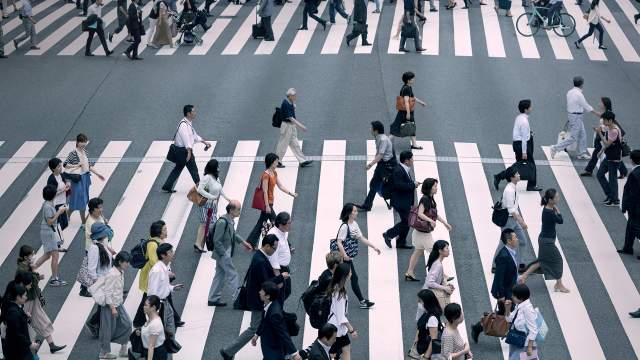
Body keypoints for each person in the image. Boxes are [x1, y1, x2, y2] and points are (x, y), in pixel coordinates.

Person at [219, 234, 288, 360]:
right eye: (274, 248)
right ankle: (228, 351)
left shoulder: (259, 256)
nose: (275, 250)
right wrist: (281, 277)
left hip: (258, 298)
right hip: (258, 300)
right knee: (254, 328)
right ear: (267, 245)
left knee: (267, 326)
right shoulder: (261, 260)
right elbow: (267, 283)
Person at [471, 229, 519, 343]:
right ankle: (479, 327)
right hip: (504, 292)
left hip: (510, 289)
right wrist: (501, 295)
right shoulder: (503, 256)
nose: (517, 239)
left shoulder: (510, 252)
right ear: (509, 241)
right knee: (507, 313)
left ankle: (478, 327)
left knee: (504, 314)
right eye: (515, 237)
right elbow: (499, 277)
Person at [519, 189, 569, 292]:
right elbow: (560, 220)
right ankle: (559, 284)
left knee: (541, 261)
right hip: (547, 242)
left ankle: (523, 276)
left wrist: (554, 208)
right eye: (556, 197)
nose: (558, 199)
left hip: (545, 240)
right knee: (558, 260)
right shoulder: (549, 212)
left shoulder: (547, 209)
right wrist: (558, 210)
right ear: (550, 200)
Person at [15, 253, 66, 354]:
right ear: (25, 257)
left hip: (32, 297)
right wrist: (34, 273)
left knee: (41, 319)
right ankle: (26, 345)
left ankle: (51, 345)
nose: (33, 256)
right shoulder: (22, 269)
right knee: (24, 321)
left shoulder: (26, 267)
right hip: (27, 299)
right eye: (31, 254)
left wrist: (36, 275)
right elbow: (27, 282)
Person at [332, 203, 379, 308]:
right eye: (354, 211)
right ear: (349, 213)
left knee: (343, 279)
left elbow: (361, 238)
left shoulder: (354, 224)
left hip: (347, 257)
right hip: (343, 258)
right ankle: (361, 301)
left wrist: (373, 246)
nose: (356, 212)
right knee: (350, 278)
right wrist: (344, 255)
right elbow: (339, 242)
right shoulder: (345, 226)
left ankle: (332, 298)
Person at [246, 153, 298, 248]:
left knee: (261, 223)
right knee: (278, 224)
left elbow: (280, 186)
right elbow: (265, 191)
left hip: (270, 202)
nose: (277, 162)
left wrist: (291, 193)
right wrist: (267, 206)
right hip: (267, 203)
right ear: (272, 162)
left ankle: (250, 242)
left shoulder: (274, 173)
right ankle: (287, 245)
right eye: (276, 161)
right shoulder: (266, 175)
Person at [405, 178, 452, 281]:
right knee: (437, 253)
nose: (436, 188)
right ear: (429, 188)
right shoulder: (425, 199)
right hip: (423, 234)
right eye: (435, 186)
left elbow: (434, 214)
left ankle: (409, 272)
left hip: (420, 233)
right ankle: (442, 276)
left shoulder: (430, 198)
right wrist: (430, 220)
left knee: (417, 252)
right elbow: (420, 213)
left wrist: (444, 223)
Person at [208, 200, 252, 307]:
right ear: (231, 210)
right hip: (223, 252)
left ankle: (213, 298)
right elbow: (216, 240)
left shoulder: (230, 220)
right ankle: (238, 300)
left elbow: (233, 234)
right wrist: (224, 254)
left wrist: (243, 242)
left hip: (224, 252)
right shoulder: (223, 222)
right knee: (233, 275)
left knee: (220, 275)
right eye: (238, 209)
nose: (240, 212)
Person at [493, 99, 542, 192]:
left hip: (518, 143)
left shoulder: (519, 118)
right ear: (526, 109)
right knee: (530, 164)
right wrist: (524, 152)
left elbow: (520, 132)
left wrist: (529, 133)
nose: (532, 108)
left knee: (520, 165)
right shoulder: (524, 121)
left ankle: (500, 176)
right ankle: (531, 185)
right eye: (530, 107)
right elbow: (523, 138)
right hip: (522, 145)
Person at [162, 105, 212, 193]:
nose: (195, 113)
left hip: (183, 151)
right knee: (193, 169)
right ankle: (200, 188)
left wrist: (205, 142)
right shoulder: (183, 125)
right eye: (193, 112)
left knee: (178, 168)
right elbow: (186, 139)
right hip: (184, 151)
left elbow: (194, 136)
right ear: (188, 113)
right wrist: (189, 152)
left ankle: (167, 185)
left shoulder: (188, 123)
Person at [550, 76, 600, 160]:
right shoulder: (578, 94)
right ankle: (555, 148)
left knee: (582, 134)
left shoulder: (570, 92)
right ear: (581, 84)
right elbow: (586, 106)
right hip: (576, 116)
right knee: (573, 137)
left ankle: (582, 153)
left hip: (574, 115)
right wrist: (597, 113)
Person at [250, 281, 301, 360]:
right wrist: (257, 334)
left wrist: (294, 353)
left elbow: (283, 333)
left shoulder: (275, 314)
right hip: (270, 347)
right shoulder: (269, 304)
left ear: (268, 296)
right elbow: (264, 321)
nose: (259, 292)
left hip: (273, 349)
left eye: (262, 291)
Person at [64, 133, 105, 225]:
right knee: (80, 199)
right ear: (77, 142)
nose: (83, 146)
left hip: (85, 178)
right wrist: (77, 165)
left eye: (85, 144)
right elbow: (65, 164)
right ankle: (83, 221)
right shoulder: (73, 154)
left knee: (81, 199)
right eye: (82, 143)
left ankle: (67, 214)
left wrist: (98, 174)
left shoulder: (85, 152)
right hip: (77, 179)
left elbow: (89, 165)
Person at [33, 185, 68, 287]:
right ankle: (54, 279)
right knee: (55, 255)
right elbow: (50, 222)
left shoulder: (47, 202)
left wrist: (63, 190)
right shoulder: (48, 207)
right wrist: (59, 212)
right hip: (48, 232)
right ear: (52, 195)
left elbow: (55, 194)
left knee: (47, 255)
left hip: (46, 232)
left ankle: (31, 269)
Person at [98, 252, 132, 359]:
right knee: (108, 329)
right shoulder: (113, 274)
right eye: (126, 262)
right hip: (110, 306)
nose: (128, 264)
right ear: (120, 262)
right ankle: (103, 353)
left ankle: (123, 349)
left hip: (118, 304)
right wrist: (112, 308)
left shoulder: (120, 272)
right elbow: (107, 292)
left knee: (127, 324)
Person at [134, 220, 167, 328]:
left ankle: (173, 317)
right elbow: (153, 261)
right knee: (147, 297)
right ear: (159, 232)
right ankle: (138, 320)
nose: (166, 231)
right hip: (151, 275)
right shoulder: (153, 244)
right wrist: (164, 271)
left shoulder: (159, 242)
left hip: (155, 275)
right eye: (164, 229)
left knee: (154, 295)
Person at [356, 121, 395, 212]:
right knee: (374, 185)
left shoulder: (382, 139)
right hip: (382, 164)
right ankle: (367, 205)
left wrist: (370, 164)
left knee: (387, 185)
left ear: (376, 130)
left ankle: (393, 203)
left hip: (387, 166)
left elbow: (381, 155)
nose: (370, 130)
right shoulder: (379, 137)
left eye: (371, 128)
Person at [493, 167, 527, 270]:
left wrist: (520, 220)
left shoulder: (513, 187)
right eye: (517, 174)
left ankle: (521, 263)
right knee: (503, 242)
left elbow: (514, 208)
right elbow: (511, 209)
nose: (519, 175)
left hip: (513, 219)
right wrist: (521, 222)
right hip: (508, 220)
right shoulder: (509, 190)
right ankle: (495, 265)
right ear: (512, 177)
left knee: (522, 241)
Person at [147, 243, 185, 335]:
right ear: (163, 255)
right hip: (160, 306)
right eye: (170, 252)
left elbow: (163, 285)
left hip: (166, 303)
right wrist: (154, 312)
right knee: (162, 332)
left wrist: (172, 288)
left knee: (170, 329)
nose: (173, 253)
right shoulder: (157, 271)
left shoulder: (165, 267)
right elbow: (152, 293)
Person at [383, 151, 419, 249]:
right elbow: (398, 185)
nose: (413, 160)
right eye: (411, 158)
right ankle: (389, 234)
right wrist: (413, 185)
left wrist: (413, 183)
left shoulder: (404, 168)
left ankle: (401, 242)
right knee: (406, 222)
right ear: (407, 161)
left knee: (406, 222)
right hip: (400, 201)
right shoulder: (399, 170)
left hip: (404, 200)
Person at [85, 222, 115, 337]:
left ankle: (96, 324)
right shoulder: (94, 248)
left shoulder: (102, 245)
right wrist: (97, 283)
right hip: (101, 281)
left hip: (107, 280)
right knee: (105, 305)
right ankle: (94, 323)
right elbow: (91, 269)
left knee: (104, 305)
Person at [194, 159, 229, 253]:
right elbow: (199, 190)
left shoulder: (216, 177)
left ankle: (198, 245)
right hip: (205, 204)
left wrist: (227, 198)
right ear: (214, 168)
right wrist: (212, 197)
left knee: (204, 224)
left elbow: (219, 189)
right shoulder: (207, 177)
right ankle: (215, 243)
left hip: (213, 205)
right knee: (211, 224)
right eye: (218, 166)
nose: (219, 168)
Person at [326, 263, 358, 360]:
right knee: (334, 354)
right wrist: (351, 329)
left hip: (335, 327)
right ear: (345, 275)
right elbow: (341, 317)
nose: (351, 273)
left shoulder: (336, 285)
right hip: (336, 328)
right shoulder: (339, 292)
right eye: (350, 272)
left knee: (344, 348)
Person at [275, 89, 313, 168]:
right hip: (287, 127)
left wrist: (294, 107)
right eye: (294, 96)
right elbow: (290, 118)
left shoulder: (290, 102)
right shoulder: (285, 103)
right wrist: (301, 126)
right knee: (283, 145)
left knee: (295, 144)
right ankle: (277, 161)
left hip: (291, 127)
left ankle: (302, 160)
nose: (295, 97)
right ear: (289, 96)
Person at [389, 72, 427, 149]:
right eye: (412, 79)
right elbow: (406, 101)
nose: (413, 80)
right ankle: (385, 143)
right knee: (397, 127)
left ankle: (414, 144)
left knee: (409, 126)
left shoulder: (408, 87)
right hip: (405, 112)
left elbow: (412, 97)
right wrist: (408, 113)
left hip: (405, 111)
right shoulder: (406, 88)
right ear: (408, 80)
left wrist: (421, 102)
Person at [1, 284, 38, 360]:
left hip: (19, 349)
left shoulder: (16, 307)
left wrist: (25, 316)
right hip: (17, 351)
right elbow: (16, 333)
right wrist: (30, 344)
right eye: (24, 295)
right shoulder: (13, 313)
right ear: (18, 297)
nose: (26, 297)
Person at [266, 212, 296, 305]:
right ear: (281, 225)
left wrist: (289, 247)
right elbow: (273, 259)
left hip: (284, 267)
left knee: (286, 292)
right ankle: (273, 311)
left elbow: (285, 240)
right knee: (280, 293)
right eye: (289, 223)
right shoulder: (274, 237)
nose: (291, 225)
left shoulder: (282, 232)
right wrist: (279, 278)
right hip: (279, 269)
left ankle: (276, 310)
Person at [504, 284, 539, 359]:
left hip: (525, 343)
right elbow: (509, 319)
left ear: (521, 298)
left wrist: (529, 347)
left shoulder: (528, 309)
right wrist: (507, 308)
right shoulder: (519, 306)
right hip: (516, 338)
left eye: (514, 295)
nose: (512, 297)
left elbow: (534, 329)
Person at [596, 111, 623, 207]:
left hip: (614, 159)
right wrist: (601, 151)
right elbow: (607, 145)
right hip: (609, 156)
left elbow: (607, 143)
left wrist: (599, 133)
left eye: (604, 120)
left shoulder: (614, 131)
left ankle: (615, 199)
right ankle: (610, 195)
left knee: (612, 179)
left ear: (610, 121)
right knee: (599, 174)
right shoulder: (609, 128)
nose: (603, 122)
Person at [409, 289, 442, 359]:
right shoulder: (427, 312)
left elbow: (434, 340)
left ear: (427, 302)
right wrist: (415, 344)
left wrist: (426, 356)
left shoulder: (432, 318)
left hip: (424, 350)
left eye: (420, 301)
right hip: (420, 346)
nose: (418, 303)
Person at [619, 149, 640, 259]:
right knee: (630, 227)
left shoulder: (634, 174)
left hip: (636, 206)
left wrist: (626, 206)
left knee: (634, 227)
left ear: (632, 160)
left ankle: (628, 247)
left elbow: (632, 193)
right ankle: (627, 247)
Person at [425, 240, 455, 310]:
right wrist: (445, 288)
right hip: (435, 298)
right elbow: (430, 282)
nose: (449, 250)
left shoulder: (437, 262)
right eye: (447, 248)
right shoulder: (437, 265)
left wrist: (446, 285)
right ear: (440, 251)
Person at [140, 295, 168, 360]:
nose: (143, 307)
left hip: (156, 355)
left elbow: (151, 346)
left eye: (146, 305)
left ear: (153, 307)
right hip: (151, 352)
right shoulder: (149, 317)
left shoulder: (155, 324)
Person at [46, 158, 70, 233]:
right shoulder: (51, 179)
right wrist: (63, 190)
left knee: (65, 223)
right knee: (59, 224)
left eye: (61, 165)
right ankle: (57, 238)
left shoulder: (61, 175)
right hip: (55, 204)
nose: (61, 168)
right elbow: (51, 193)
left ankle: (57, 236)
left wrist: (67, 185)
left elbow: (64, 183)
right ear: (53, 168)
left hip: (62, 202)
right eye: (59, 166)